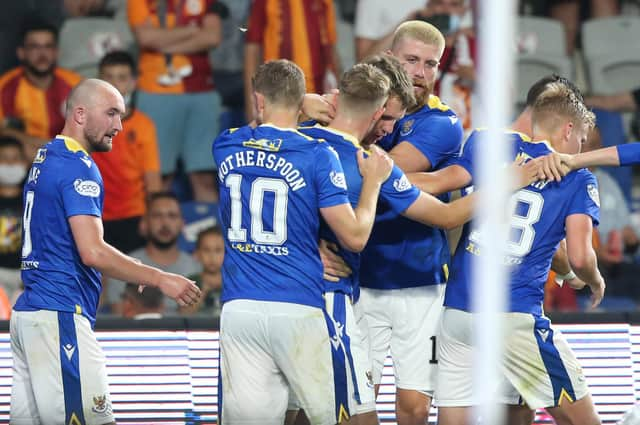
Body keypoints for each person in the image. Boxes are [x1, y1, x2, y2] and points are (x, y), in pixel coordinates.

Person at [10, 78, 200, 424]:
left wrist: (133, 265)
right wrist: (159, 277)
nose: (119, 126)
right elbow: (92, 252)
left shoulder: (47, 156)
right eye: (111, 113)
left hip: (30, 315)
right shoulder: (78, 167)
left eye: (122, 115)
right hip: (60, 314)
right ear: (80, 114)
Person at [214, 59, 392, 425]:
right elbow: (355, 237)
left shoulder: (226, 145)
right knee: (342, 418)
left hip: (239, 307)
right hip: (297, 304)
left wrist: (299, 102)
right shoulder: (317, 155)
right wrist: (372, 183)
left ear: (258, 100)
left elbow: (254, 125)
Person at [435, 82, 604, 425]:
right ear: (569, 130)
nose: (581, 148)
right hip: (513, 316)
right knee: (584, 421)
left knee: (480, 416)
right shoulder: (577, 179)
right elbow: (581, 255)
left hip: (458, 313)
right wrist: (594, 281)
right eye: (582, 140)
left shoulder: (486, 142)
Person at [357, 20, 464, 424]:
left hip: (422, 284)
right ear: (389, 59)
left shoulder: (442, 123)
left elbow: (386, 172)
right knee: (357, 404)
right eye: (412, 60)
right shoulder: (358, 109)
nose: (420, 73)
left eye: (431, 64)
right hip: (361, 280)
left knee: (415, 408)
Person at [127, 0, 223, 202]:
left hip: (201, 92)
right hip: (156, 93)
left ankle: (208, 230)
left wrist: (163, 42)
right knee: (160, 177)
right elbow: (145, 37)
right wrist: (192, 30)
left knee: (204, 177)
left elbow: (213, 37)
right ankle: (157, 228)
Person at [92, 50, 162, 254]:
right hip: (92, 213)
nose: (114, 85)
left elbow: (153, 180)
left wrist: (150, 217)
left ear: (133, 82)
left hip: (133, 216)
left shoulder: (144, 125)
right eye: (108, 78)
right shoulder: (84, 121)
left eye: (121, 78)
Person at [104, 191, 202, 314]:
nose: (165, 223)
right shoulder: (125, 267)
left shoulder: (197, 268)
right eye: (157, 216)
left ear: (182, 224)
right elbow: (119, 320)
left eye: (172, 216)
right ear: (144, 224)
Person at [243, 0, 342, 121]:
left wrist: (339, 90)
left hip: (319, 96)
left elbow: (330, 46)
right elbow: (252, 47)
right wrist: (251, 103)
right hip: (277, 96)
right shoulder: (265, 2)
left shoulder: (325, 2)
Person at [0, 18, 82, 161]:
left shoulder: (76, 85)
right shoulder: (5, 86)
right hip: (22, 162)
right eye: (34, 47)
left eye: (48, 46)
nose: (42, 54)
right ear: (21, 53)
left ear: (56, 52)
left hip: (68, 159)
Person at [0, 137, 28, 299]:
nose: (10, 164)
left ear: (25, 163)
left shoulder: (35, 199)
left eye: (15, 159)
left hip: (25, 276)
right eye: (4, 158)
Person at [180, 225, 224, 316]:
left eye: (218, 250)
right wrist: (203, 290)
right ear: (197, 254)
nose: (212, 257)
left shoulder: (234, 282)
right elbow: (184, 314)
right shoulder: (190, 282)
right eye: (206, 250)